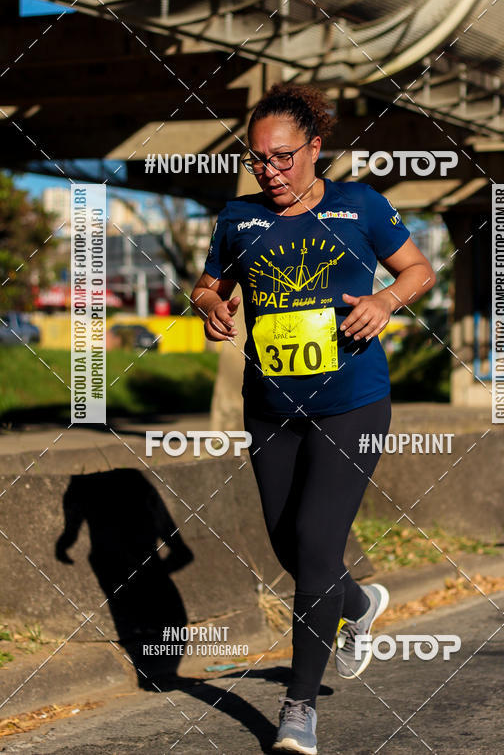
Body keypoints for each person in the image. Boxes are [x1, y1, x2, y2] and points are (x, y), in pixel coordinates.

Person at [191, 84, 436, 754]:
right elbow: (211, 280)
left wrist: (386, 298)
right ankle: (358, 607)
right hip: (270, 407)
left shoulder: (358, 205)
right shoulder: (239, 216)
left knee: (315, 543)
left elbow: (419, 269)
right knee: (289, 547)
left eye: (283, 157)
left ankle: (298, 706)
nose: (270, 171)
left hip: (352, 401)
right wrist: (208, 301)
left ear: (315, 150)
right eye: (258, 159)